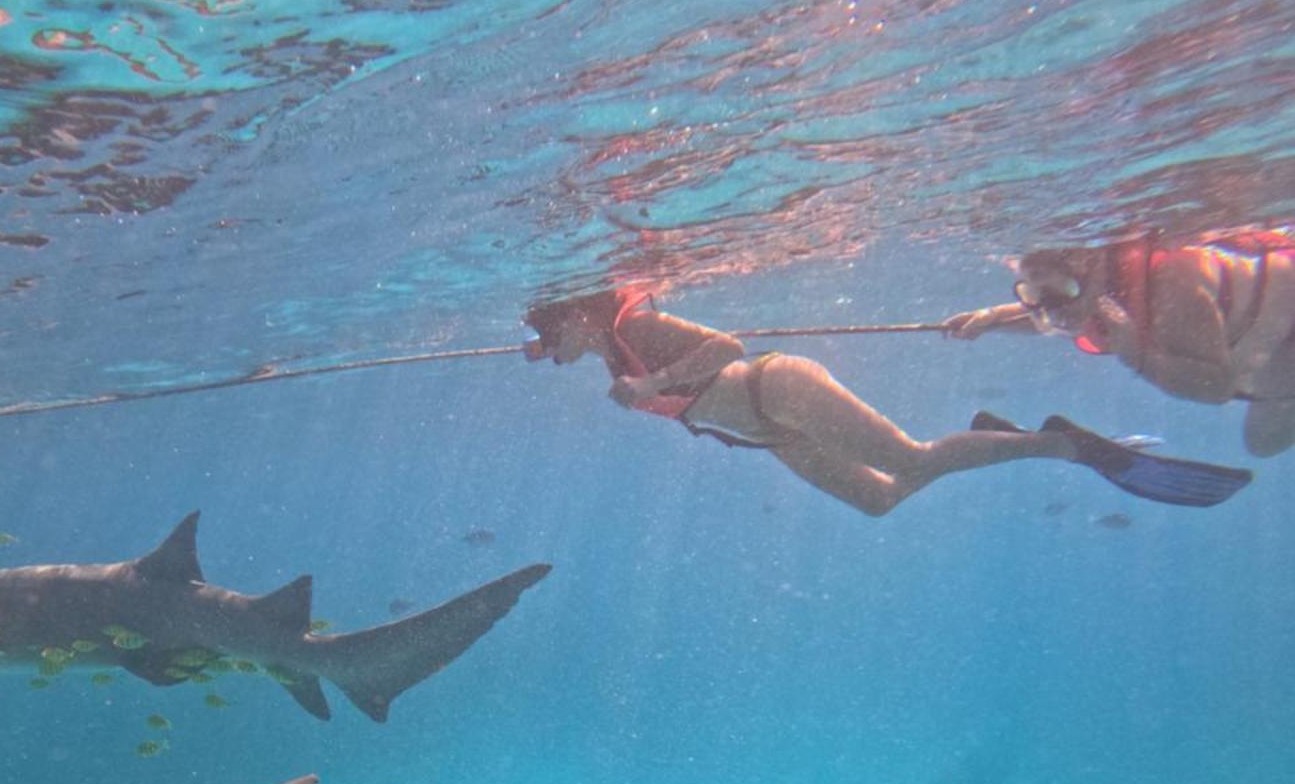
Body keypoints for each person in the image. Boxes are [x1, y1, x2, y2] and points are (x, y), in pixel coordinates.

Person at [525, 287, 1250, 516]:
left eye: (545, 334)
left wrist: (650, 385)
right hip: (774, 435)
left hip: (774, 388)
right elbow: (573, 348)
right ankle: (996, 439)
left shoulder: (638, 329)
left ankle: (1063, 443)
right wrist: (551, 349)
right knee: (881, 499)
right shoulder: (602, 358)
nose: (543, 348)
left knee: (911, 457)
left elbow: (725, 347)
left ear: (577, 316)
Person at [943, 232, 1295, 456]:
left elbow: (1217, 388)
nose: (1050, 312)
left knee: (1265, 439)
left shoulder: (1173, 284)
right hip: (1268, 340)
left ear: (1089, 268)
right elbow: (1060, 311)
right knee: (1262, 438)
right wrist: (992, 318)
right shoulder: (1089, 290)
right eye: (1032, 294)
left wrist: (1137, 357)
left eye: (1055, 293)